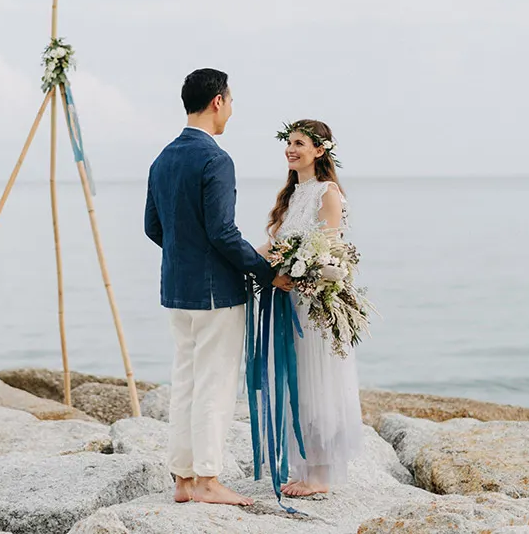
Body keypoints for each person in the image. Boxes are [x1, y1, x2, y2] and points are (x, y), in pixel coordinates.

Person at [144, 68, 292, 506]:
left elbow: (154, 227)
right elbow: (224, 233)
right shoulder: (215, 159)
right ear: (217, 102)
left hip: (176, 289)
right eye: (231, 100)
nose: (231, 109)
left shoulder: (163, 158)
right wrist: (269, 274)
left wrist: (186, 252)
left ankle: (183, 481)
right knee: (214, 384)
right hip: (215, 294)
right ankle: (208, 479)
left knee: (185, 381)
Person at [264, 119, 365, 496]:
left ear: (319, 151)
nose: (291, 149)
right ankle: (303, 467)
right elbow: (279, 249)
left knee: (318, 381)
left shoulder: (327, 193)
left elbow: (329, 253)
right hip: (289, 298)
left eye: (299, 143)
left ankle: (320, 475)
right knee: (296, 380)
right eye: (288, 142)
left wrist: (294, 265)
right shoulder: (292, 195)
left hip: (314, 304)